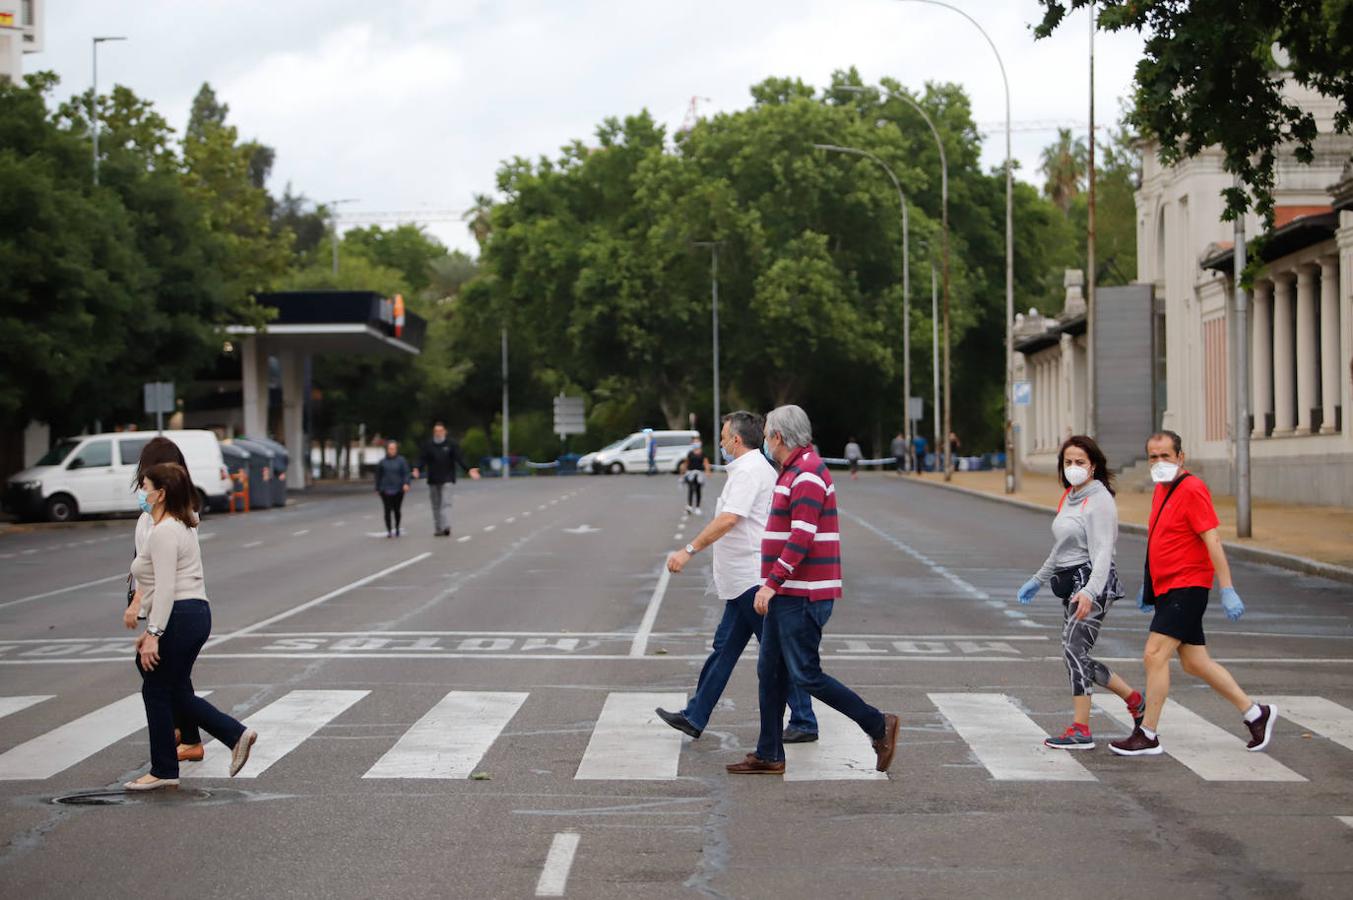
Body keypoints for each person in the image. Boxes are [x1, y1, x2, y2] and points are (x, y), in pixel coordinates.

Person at [727, 405, 899, 776]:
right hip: (790, 593)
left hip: (801, 594)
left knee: (805, 674)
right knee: (769, 671)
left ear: (778, 437)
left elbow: (801, 536)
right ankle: (770, 752)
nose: (768, 443)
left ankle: (877, 724)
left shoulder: (806, 474)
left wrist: (771, 583)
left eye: (770, 435)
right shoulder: (794, 470)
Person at [1110, 431, 1277, 757]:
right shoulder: (1162, 489)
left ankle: (1148, 733)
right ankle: (1256, 713)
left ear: (1181, 457)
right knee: (1195, 662)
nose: (1158, 463)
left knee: (1154, 655)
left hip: (1187, 587)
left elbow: (1212, 539)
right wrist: (1151, 583)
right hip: (1168, 587)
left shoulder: (1192, 489)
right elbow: (1162, 537)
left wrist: (1226, 587)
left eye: (1165, 456)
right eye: (1153, 457)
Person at [657, 412, 819, 744]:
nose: (719, 440)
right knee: (724, 650)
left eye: (722, 434)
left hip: (752, 578)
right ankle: (695, 715)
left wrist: (688, 550)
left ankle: (804, 719)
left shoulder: (749, 472)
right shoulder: (752, 469)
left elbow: (729, 519)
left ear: (735, 439)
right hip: (743, 579)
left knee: (777, 654)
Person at [124, 463, 257, 790]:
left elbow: (167, 587)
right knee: (171, 687)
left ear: (161, 493)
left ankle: (166, 769)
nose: (142, 493)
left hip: (181, 614)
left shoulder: (167, 530)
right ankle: (229, 736)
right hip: (189, 614)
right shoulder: (180, 524)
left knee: (156, 689)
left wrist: (154, 633)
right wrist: (151, 630)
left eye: (145, 487)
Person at [1017, 435, 1145, 750]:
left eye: (1080, 462)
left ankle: (1081, 729)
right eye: (1068, 462)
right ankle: (1135, 700)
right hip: (1072, 584)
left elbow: (1103, 553)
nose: (1073, 468)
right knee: (1076, 654)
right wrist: (1038, 579)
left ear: (1094, 466)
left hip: (1094, 583)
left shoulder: (1099, 500)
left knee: (1074, 651)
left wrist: (1089, 591)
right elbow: (1061, 549)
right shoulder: (1070, 497)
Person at [123, 436, 207, 764]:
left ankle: (225, 732)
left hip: (172, 604)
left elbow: (160, 574)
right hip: (182, 606)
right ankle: (187, 736)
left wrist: (147, 620)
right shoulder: (182, 513)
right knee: (171, 675)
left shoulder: (162, 523)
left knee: (161, 677)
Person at [412, 422, 480, 537]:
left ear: (444, 432)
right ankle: (438, 528)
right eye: (436, 431)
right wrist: (417, 469)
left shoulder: (451, 444)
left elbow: (459, 458)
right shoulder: (429, 445)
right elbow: (422, 459)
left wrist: (468, 469)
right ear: (434, 433)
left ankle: (446, 526)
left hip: (447, 478)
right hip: (433, 479)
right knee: (436, 505)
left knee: (446, 503)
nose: (438, 433)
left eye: (440, 431)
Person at [374, 440, 411, 538]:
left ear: (396, 449)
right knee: (387, 510)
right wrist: (377, 488)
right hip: (385, 489)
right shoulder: (382, 462)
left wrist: (406, 483)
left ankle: (397, 527)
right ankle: (389, 530)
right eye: (390, 449)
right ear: (387, 450)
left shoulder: (401, 461)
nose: (392, 450)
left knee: (397, 510)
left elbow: (406, 473)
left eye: (393, 448)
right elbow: (378, 476)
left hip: (398, 489)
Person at [678, 438, 712, 514]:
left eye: (697, 442)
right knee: (690, 489)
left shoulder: (702, 454)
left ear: (700, 443)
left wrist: (708, 471)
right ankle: (689, 506)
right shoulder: (690, 453)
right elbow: (686, 463)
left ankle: (697, 507)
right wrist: (682, 473)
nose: (696, 443)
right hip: (690, 474)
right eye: (694, 442)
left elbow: (706, 463)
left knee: (698, 490)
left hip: (699, 475)